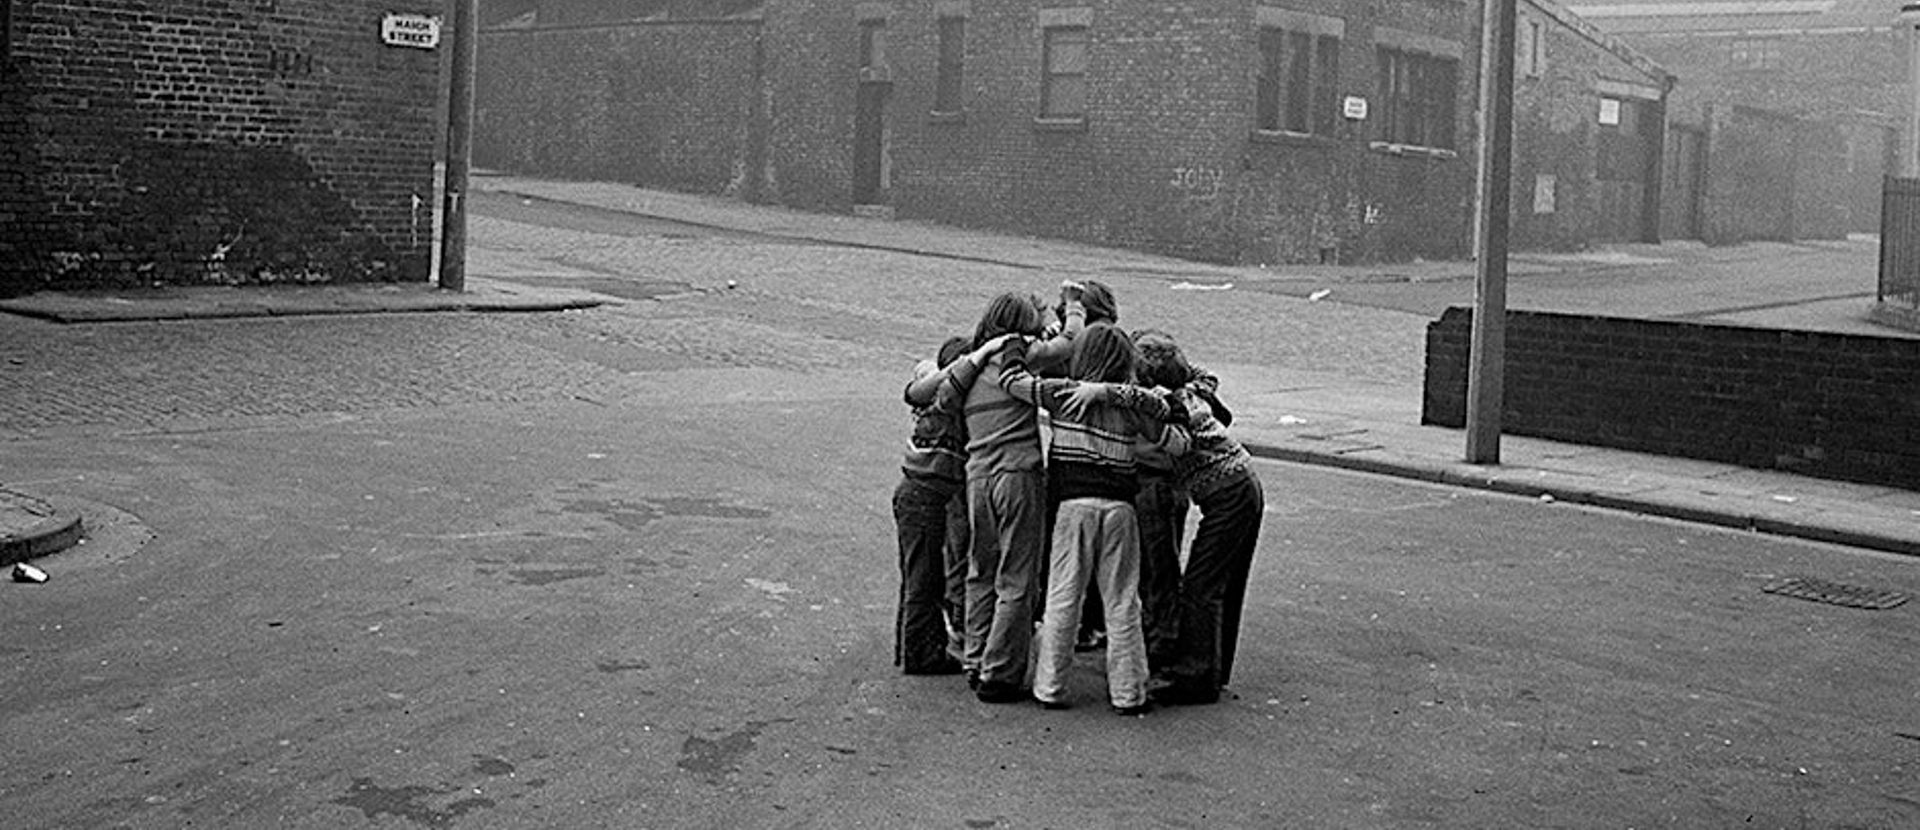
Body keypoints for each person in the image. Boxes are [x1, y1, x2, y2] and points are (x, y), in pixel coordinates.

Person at [1000, 323, 1188, 714]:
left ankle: (1050, 686)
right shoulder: (1133, 406)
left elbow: (1011, 380)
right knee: (1122, 601)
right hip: (1121, 510)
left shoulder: (1061, 395)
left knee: (1064, 596)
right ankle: (1129, 692)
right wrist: (1129, 395)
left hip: (1073, 508)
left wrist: (1016, 344)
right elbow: (1176, 436)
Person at [924, 292, 1083, 703]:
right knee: (1017, 577)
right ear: (1020, 325)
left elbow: (927, 395)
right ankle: (1001, 672)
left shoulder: (971, 365)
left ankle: (975, 659)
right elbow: (1068, 342)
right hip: (1017, 473)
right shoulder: (1019, 354)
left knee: (981, 571)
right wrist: (1075, 305)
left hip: (977, 475)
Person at [1136, 332, 1264, 706]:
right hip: (1242, 483)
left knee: (1200, 586)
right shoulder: (1192, 390)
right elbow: (1206, 378)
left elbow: (1169, 434)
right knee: (1224, 582)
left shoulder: (1172, 407)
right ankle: (1211, 669)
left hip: (1227, 495)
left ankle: (1195, 678)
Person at [892, 336, 974, 675]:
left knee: (918, 578)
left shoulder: (928, 392)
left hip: (915, 495)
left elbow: (921, 375)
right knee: (924, 581)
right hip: (923, 497)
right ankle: (922, 654)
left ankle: (912, 647)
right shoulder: (944, 401)